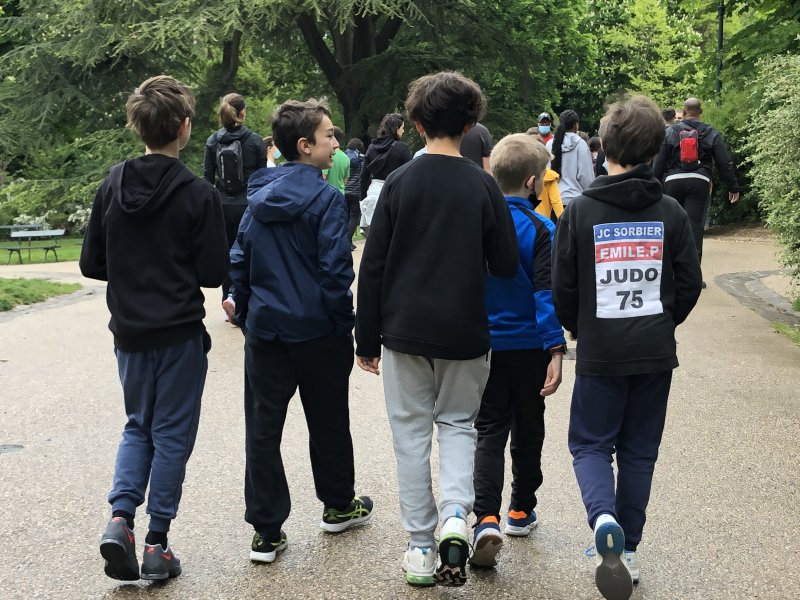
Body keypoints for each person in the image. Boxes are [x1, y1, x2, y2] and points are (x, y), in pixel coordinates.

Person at [355, 71, 519, 588]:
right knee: (458, 425)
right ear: (471, 125)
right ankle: (454, 516)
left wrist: (366, 338)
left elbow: (373, 267)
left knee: (410, 436)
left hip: (404, 331)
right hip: (465, 331)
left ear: (417, 122)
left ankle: (421, 546)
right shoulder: (482, 184)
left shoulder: (400, 183)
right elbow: (507, 262)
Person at [552, 95, 702, 600]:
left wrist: (579, 328)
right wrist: (663, 322)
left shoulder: (580, 212)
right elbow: (689, 282)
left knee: (590, 444)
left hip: (601, 351)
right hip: (654, 352)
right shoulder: (671, 213)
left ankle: (603, 519)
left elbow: (563, 287)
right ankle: (629, 549)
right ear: (655, 150)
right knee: (639, 451)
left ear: (605, 147)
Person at [80, 75, 229, 582]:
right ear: (184, 127)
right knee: (171, 434)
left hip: (129, 332)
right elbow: (212, 272)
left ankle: (120, 518)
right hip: (179, 333)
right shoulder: (198, 193)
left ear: (137, 126)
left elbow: (91, 263)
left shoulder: (112, 183)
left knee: (137, 425)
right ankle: (157, 542)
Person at [230, 97, 373, 566]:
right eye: (329, 135)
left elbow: (239, 257)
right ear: (305, 145)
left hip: (267, 331)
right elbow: (335, 271)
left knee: (262, 428)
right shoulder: (327, 199)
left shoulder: (258, 198)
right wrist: (344, 324)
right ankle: (338, 504)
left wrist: (246, 311)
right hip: (317, 330)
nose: (336, 143)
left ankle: (266, 530)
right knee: (329, 420)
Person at [470, 133, 565, 570]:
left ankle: (485, 515)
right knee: (529, 428)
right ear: (532, 182)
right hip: (529, 346)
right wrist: (555, 347)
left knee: (488, 429)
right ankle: (521, 509)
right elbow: (546, 293)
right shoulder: (543, 228)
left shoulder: (479, 226)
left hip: (486, 346)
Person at [653, 97, 740, 288]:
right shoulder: (711, 132)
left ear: (684, 112)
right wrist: (733, 186)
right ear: (700, 112)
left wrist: (651, 184)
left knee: (670, 226)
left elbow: (658, 162)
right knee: (694, 228)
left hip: (673, 182)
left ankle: (669, 276)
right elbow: (724, 163)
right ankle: (692, 278)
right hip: (699, 182)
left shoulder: (670, 132)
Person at [203, 93, 265, 318]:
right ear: (242, 112)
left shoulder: (212, 141)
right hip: (248, 205)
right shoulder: (255, 140)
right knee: (249, 254)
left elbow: (207, 178)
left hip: (221, 206)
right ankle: (244, 300)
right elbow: (262, 178)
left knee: (226, 254)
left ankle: (227, 301)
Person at [359, 113, 411, 237]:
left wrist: (362, 198)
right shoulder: (402, 148)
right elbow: (408, 176)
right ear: (396, 128)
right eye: (402, 128)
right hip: (394, 193)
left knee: (374, 236)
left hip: (373, 193)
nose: (403, 131)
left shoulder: (372, 147)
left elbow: (364, 176)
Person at [546, 110, 595, 207]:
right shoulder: (581, 144)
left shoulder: (550, 144)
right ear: (576, 125)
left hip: (554, 200)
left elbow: (546, 172)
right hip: (575, 201)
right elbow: (585, 176)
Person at [526, 128, 564, 221]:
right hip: (543, 222)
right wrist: (565, 223)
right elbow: (556, 202)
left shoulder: (519, 174)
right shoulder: (549, 176)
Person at [344, 138, 365, 249]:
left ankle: (348, 241)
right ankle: (347, 241)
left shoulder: (344, 157)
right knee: (354, 217)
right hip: (356, 191)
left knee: (346, 216)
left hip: (345, 190)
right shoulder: (362, 160)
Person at [322, 126, 350, 195]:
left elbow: (323, 177)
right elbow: (345, 180)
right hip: (341, 194)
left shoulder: (327, 155)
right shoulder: (346, 158)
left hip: (328, 195)